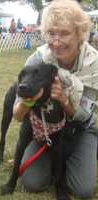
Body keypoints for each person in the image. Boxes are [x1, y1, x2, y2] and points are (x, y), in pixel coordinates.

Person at [13, 0, 98, 199]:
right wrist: (28, 101)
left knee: (82, 190)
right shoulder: (38, 58)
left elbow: (87, 117)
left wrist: (64, 101)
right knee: (33, 182)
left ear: (79, 34)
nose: (56, 42)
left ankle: (73, 159)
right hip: (46, 128)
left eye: (65, 33)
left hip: (82, 128)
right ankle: (54, 159)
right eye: (51, 33)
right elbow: (18, 115)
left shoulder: (94, 65)